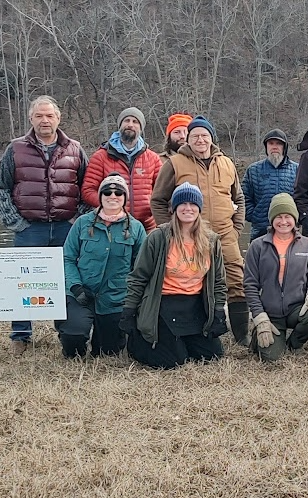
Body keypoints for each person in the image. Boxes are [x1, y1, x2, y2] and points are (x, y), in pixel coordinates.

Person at [0, 95, 87, 354]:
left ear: (58, 118)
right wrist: (16, 223)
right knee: (22, 281)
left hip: (65, 227)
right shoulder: (15, 149)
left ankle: (66, 330)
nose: (44, 120)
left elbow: (86, 188)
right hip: (29, 228)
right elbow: (2, 188)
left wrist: (75, 220)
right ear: (31, 119)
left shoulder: (75, 149)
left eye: (49, 116)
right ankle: (21, 335)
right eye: (39, 116)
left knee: (65, 280)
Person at [150, 116, 249, 343]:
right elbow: (157, 200)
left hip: (225, 235)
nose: (200, 140)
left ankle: (241, 336)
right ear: (189, 139)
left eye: (204, 135)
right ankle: (196, 331)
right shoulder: (174, 163)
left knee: (237, 282)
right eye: (195, 136)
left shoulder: (226, 163)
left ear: (211, 138)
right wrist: (171, 230)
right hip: (191, 235)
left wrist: (236, 228)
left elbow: (239, 198)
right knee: (194, 283)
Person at [121, 183, 228, 369]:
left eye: (193, 204)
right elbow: (138, 277)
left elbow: (218, 281)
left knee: (212, 356)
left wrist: (218, 312)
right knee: (172, 362)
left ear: (199, 208)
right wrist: (129, 311)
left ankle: (182, 341)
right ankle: (137, 342)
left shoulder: (211, 241)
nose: (188, 208)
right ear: (174, 208)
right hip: (164, 304)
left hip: (195, 306)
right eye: (182, 204)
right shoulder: (158, 238)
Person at [60, 174, 146, 358]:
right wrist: (75, 287)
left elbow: (141, 268)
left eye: (118, 192)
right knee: (73, 339)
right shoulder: (82, 223)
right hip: (81, 293)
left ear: (125, 198)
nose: (112, 196)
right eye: (107, 192)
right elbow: (67, 258)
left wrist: (131, 297)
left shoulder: (137, 228)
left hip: (115, 298)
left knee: (108, 352)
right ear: (100, 196)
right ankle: (70, 333)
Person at [243, 193, 308, 363]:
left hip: (296, 308)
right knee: (271, 358)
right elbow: (250, 285)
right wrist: (259, 316)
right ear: (271, 219)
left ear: (295, 218)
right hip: (270, 312)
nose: (283, 221)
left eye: (288, 216)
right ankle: (258, 334)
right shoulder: (257, 246)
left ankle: (294, 344)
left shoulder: (307, 244)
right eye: (278, 217)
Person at [81, 107, 161, 230]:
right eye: (126, 121)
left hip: (146, 226)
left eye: (135, 122)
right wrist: (110, 205)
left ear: (141, 127)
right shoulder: (101, 157)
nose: (130, 125)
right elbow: (88, 190)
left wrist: (151, 209)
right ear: (119, 125)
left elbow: (162, 192)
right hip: (110, 225)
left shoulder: (153, 158)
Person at [242, 128, 298, 240]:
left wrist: (297, 218)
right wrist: (254, 216)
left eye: (278, 143)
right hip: (260, 229)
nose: (274, 147)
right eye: (271, 143)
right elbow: (244, 197)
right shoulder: (253, 170)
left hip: (288, 228)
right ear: (266, 147)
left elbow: (303, 197)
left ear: (284, 147)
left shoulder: (298, 169)